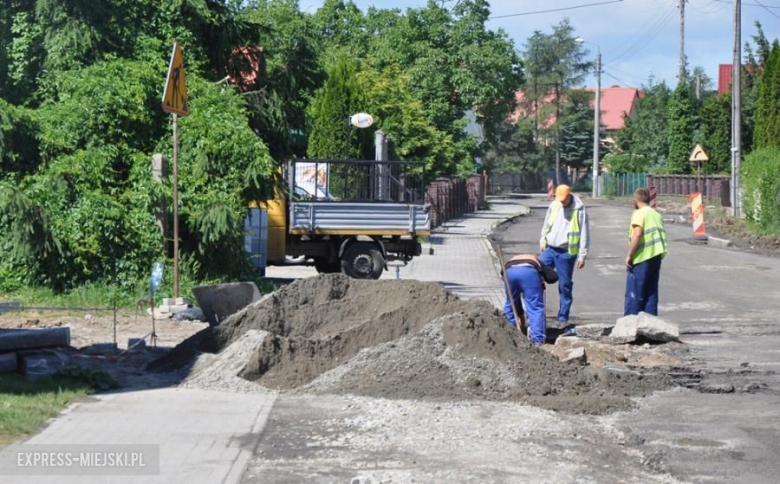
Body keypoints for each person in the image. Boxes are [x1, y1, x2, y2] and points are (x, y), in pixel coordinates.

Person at [539, 184, 590, 326]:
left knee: (565, 285)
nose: (561, 202)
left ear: (569, 195)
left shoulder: (579, 209)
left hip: (567, 252)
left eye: (563, 199)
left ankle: (562, 318)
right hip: (550, 249)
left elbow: (584, 232)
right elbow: (546, 224)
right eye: (559, 199)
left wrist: (582, 255)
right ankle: (536, 314)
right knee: (535, 272)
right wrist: (543, 240)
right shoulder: (554, 205)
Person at [624, 187, 668, 316]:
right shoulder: (656, 214)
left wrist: (629, 255)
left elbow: (637, 235)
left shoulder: (639, 213)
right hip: (656, 257)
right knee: (651, 293)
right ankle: (650, 327)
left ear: (635, 200)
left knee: (635, 294)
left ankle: (631, 326)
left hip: (642, 257)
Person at [501, 254, 558, 346]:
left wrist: (520, 315)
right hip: (529, 272)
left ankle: (510, 336)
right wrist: (542, 279)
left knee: (511, 304)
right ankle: (538, 340)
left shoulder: (512, 260)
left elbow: (515, 301)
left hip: (508, 272)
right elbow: (553, 277)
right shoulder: (537, 260)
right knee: (535, 308)